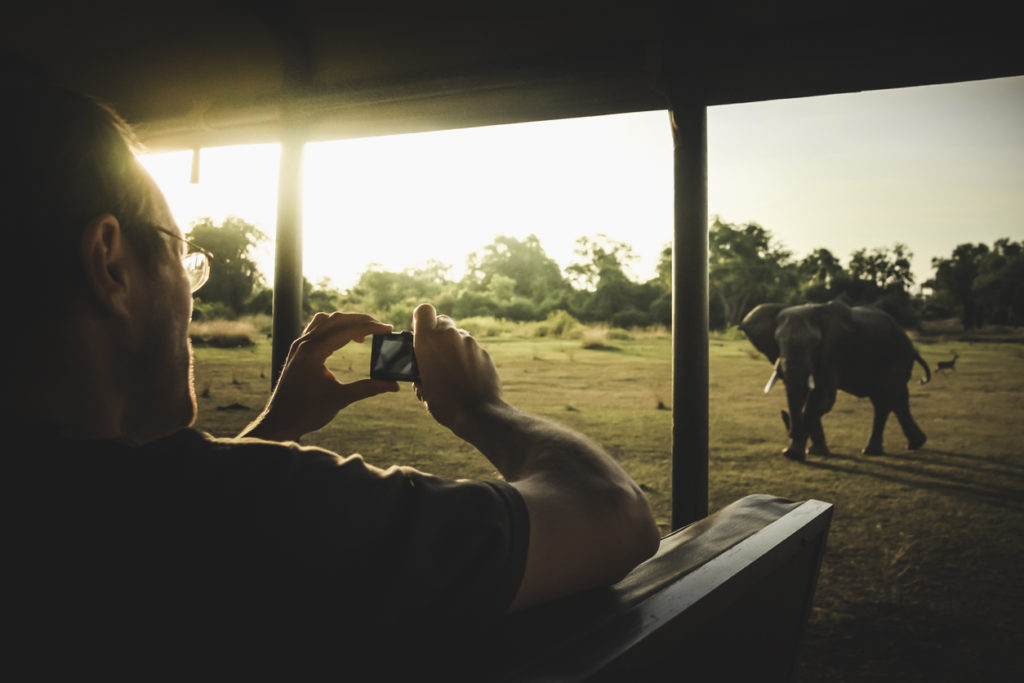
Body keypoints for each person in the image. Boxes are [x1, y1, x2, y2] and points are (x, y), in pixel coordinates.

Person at [1, 84, 659, 679]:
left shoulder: (61, 506)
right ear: (109, 264)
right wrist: (480, 406)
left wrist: (274, 429)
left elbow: (173, 533)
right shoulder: (250, 508)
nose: (192, 294)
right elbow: (615, 512)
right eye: (184, 258)